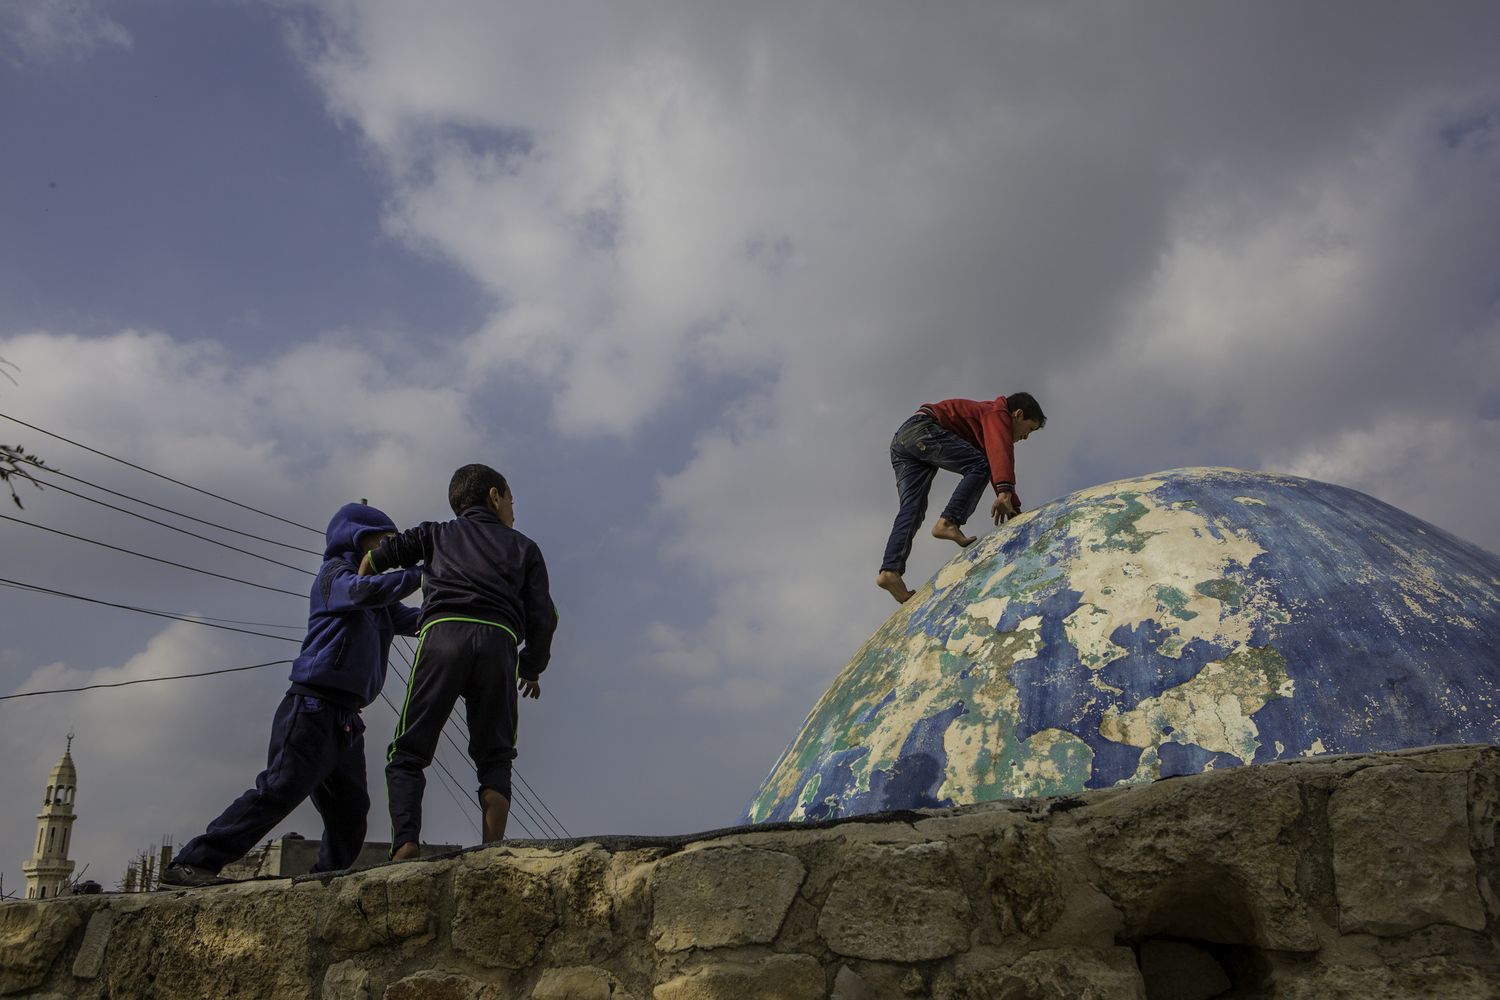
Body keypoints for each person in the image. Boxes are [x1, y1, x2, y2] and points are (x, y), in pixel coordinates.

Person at [160, 503, 422, 887]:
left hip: (347, 718)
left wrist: (455, 598)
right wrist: (419, 574)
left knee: (351, 811)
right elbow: (364, 592)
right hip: (312, 706)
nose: (389, 551)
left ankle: (325, 879)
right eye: (384, 542)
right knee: (280, 788)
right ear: (357, 538)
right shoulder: (335, 577)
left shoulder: (381, 604)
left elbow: (417, 620)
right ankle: (194, 862)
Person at [359, 463, 557, 861]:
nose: (513, 512)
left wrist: (364, 586)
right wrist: (530, 666)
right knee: (495, 756)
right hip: (499, 644)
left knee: (409, 750)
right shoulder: (525, 547)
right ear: (494, 496)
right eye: (511, 500)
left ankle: (405, 844)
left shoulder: (436, 533)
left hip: (443, 637)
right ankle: (490, 851)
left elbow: (380, 557)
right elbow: (543, 616)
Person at [877, 392, 1046, 604]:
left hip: (904, 438)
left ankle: (890, 571)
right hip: (925, 429)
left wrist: (1012, 505)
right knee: (979, 465)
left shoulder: (988, 422)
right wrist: (1005, 491)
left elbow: (994, 457)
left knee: (913, 508)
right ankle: (948, 521)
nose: (1025, 437)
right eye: (1029, 429)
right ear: (1018, 415)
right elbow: (1001, 452)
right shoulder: (997, 413)